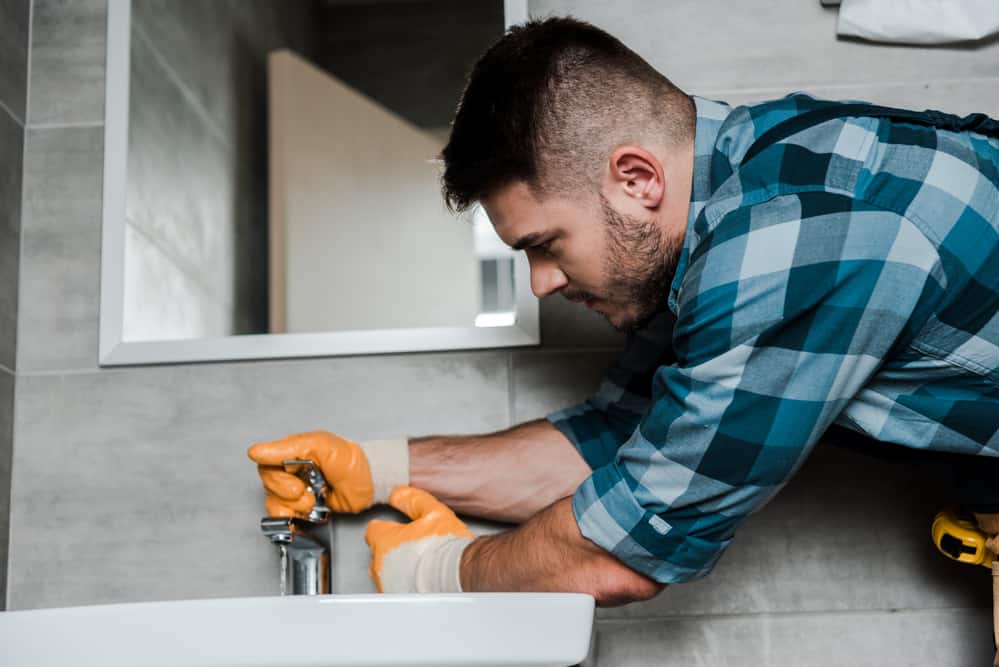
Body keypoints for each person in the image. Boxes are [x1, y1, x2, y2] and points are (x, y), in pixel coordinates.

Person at [248, 17, 999, 606]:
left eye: (545, 243)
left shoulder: (781, 239)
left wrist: (440, 572)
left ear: (634, 178)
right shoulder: (734, 197)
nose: (540, 283)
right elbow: (616, 439)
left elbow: (624, 549)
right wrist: (379, 466)